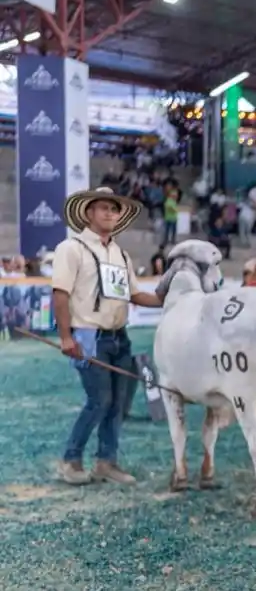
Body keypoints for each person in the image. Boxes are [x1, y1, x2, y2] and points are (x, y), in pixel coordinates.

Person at [51, 187, 164, 485]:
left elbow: (136, 294)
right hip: (89, 335)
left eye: (114, 210)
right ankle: (70, 459)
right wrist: (66, 337)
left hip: (119, 335)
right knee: (99, 400)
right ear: (89, 213)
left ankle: (106, 462)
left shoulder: (120, 253)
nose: (110, 214)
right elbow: (60, 294)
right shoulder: (71, 248)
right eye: (104, 208)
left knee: (118, 402)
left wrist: (169, 296)